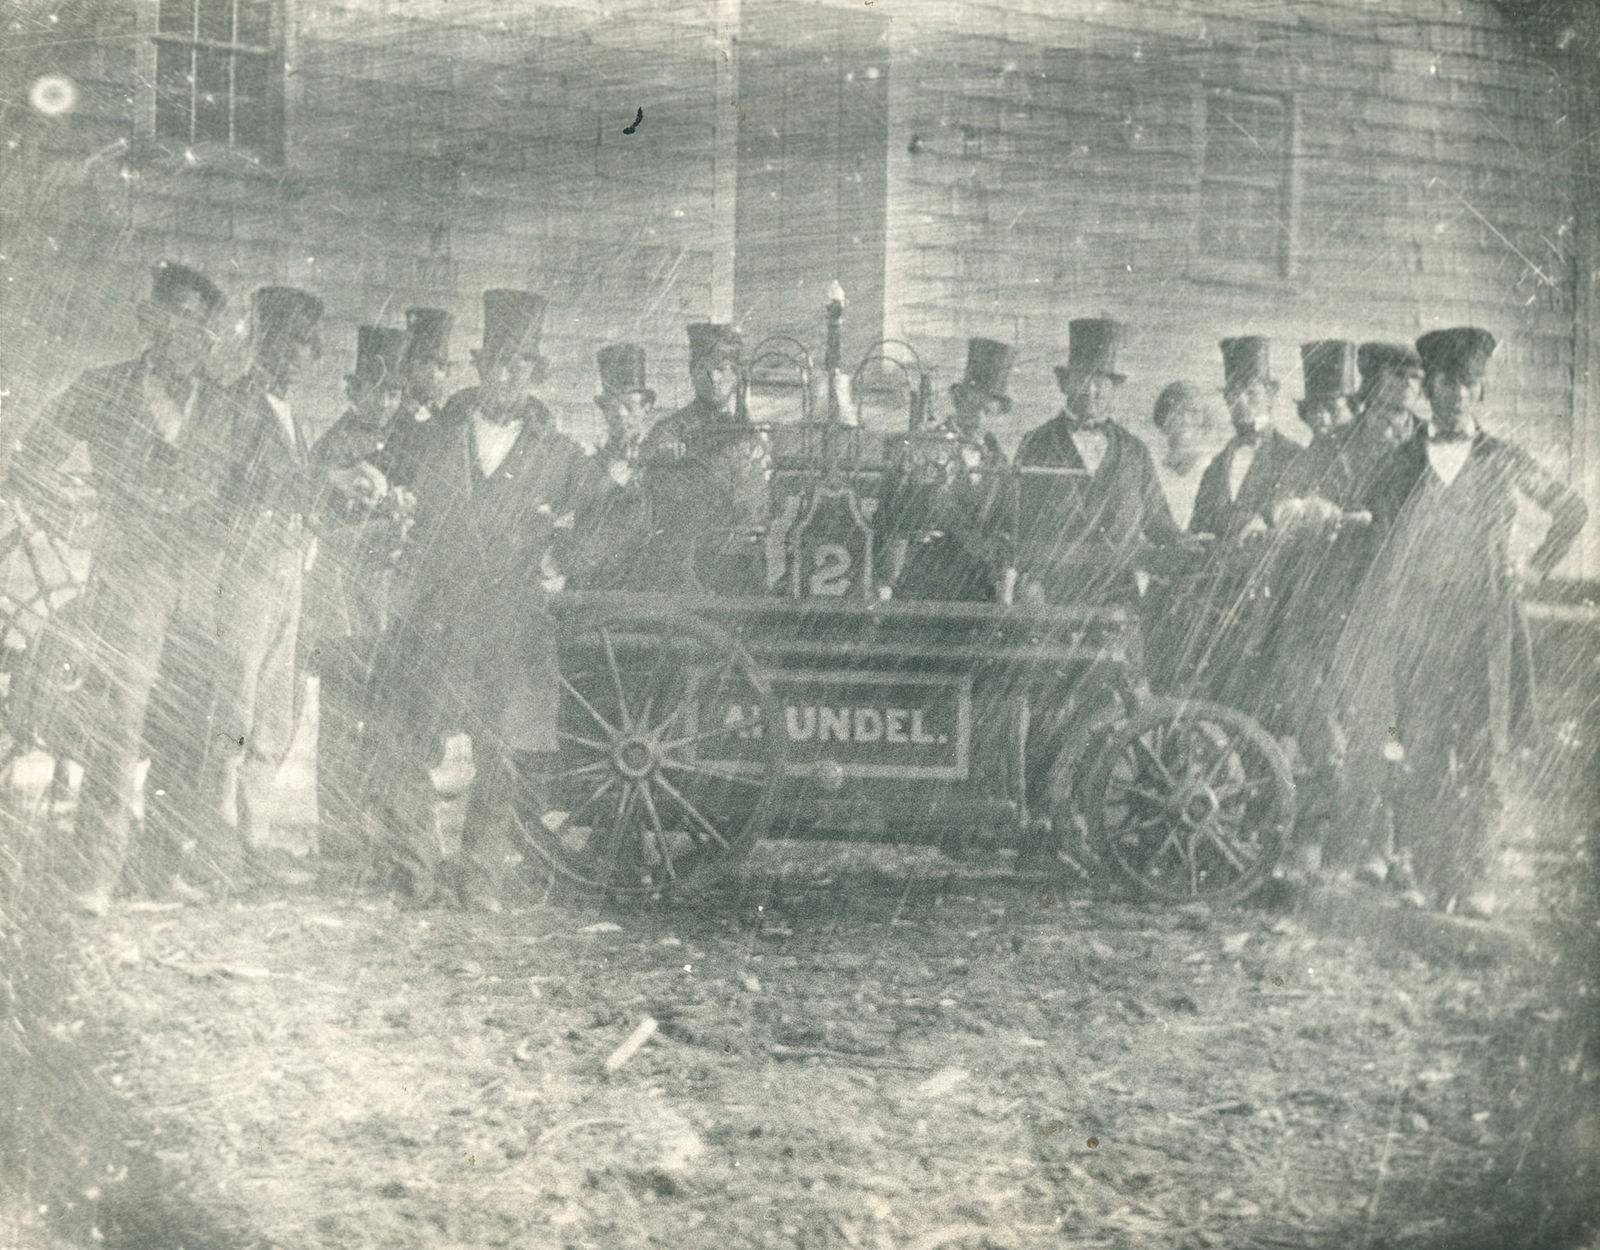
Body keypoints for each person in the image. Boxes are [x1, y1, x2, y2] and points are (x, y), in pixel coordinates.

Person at [364, 289, 605, 912]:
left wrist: (565, 563)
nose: (506, 375)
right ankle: (414, 872)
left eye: (520, 364)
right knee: (405, 741)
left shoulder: (558, 453)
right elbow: (379, 486)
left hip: (511, 620)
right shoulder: (429, 438)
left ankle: (478, 881)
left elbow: (620, 512)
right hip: (435, 613)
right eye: (496, 361)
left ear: (535, 373)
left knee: (501, 757)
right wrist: (388, 520)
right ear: (477, 364)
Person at [3, 261, 231, 912]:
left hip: (201, 586)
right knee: (118, 724)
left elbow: (250, 489)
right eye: (176, 317)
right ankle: (96, 874)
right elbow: (27, 463)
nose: (188, 333)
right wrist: (77, 521)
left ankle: (157, 872)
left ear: (212, 336)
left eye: (201, 323)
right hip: (127, 583)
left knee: (191, 726)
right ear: (149, 321)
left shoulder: (223, 405)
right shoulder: (102, 388)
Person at [1339, 326, 1587, 917]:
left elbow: (1571, 510)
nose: (1458, 396)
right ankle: (1428, 876)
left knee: (1479, 757)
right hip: (1419, 634)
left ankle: (1474, 882)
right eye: (1447, 384)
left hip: (1484, 634)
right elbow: (1370, 534)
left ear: (1480, 391)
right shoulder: (1400, 464)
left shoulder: (1503, 460)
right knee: (1423, 755)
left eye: (1470, 385)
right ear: (1430, 390)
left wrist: (1533, 568)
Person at [199, 287, 378, 889]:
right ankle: (217, 844)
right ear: (262, 341)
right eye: (294, 342)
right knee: (234, 705)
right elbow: (250, 484)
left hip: (285, 571)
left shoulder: (290, 414)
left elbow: (306, 500)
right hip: (242, 569)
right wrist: (329, 480)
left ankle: (253, 841)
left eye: (310, 345)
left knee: (274, 712)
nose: (305, 356)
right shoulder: (232, 403)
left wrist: (355, 503)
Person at [304, 325, 409, 856]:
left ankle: (383, 838)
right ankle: (341, 842)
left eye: (394, 392)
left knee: (387, 722)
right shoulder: (333, 449)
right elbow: (321, 526)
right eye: (375, 389)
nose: (385, 402)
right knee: (344, 724)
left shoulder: (407, 439)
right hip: (346, 601)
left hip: (389, 603)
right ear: (353, 390)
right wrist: (388, 525)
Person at [1012, 318, 1181, 606]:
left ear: (1113, 387)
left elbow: (1158, 521)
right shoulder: (1036, 444)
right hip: (1052, 595)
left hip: (1118, 594)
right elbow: (1016, 523)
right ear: (1065, 384)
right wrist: (1027, 581)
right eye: (1083, 379)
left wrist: (1184, 544)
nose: (1092, 390)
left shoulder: (1134, 451)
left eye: (1100, 381)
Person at [1181, 337, 1302, 717]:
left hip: (1271, 609)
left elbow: (1298, 536)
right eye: (1233, 393)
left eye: (1251, 391)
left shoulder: (1294, 458)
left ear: (1269, 395)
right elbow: (1200, 528)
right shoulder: (1217, 465)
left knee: (1261, 711)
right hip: (1218, 609)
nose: (1241, 401)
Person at [876, 337, 1013, 602]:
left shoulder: (999, 461)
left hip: (979, 586)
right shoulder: (925, 447)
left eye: (988, 411)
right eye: (974, 408)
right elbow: (896, 520)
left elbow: (1006, 526)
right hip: (927, 580)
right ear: (959, 401)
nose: (980, 418)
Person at [639, 323, 770, 594]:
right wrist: (664, 458)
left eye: (721, 369)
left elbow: (760, 505)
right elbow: (650, 475)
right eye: (704, 369)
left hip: (740, 562)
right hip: (687, 563)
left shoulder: (749, 436)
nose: (713, 378)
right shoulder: (670, 431)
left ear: (735, 375)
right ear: (692, 373)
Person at [573, 343, 658, 589]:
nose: (620, 414)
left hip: (645, 583)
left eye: (629, 405)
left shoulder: (659, 458)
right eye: (612, 407)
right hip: (594, 582)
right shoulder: (589, 464)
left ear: (646, 407)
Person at [381, 306, 454, 486]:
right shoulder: (390, 416)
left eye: (440, 367)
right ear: (406, 368)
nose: (432, 374)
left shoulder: (445, 421)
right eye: (423, 363)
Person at [1150, 380, 1227, 529]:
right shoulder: (1153, 465)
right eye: (1176, 411)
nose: (1183, 419)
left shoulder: (1209, 466)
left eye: (1192, 412)